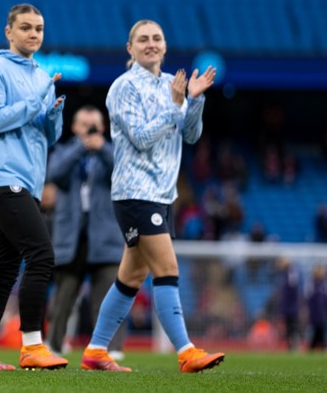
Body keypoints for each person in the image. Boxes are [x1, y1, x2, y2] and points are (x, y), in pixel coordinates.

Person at [82, 19, 223, 373]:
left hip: (161, 193)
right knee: (167, 267)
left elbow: (190, 136)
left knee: (131, 276)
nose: (151, 43)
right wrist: (175, 104)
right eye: (142, 39)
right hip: (134, 191)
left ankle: (96, 349)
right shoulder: (122, 88)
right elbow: (142, 137)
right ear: (129, 48)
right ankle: (186, 350)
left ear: (164, 45)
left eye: (156, 38)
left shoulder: (170, 85)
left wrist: (194, 100)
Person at [0, 3, 68, 372]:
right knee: (42, 256)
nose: (34, 34)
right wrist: (34, 103)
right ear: (8, 31)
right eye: (25, 27)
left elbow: (47, 136)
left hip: (26, 180)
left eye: (39, 28)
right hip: (2, 176)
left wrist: (52, 114)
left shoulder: (41, 75)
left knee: (4, 269)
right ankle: (32, 345)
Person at [46, 106, 126, 357]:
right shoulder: (63, 151)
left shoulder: (114, 151)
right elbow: (54, 174)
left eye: (93, 125)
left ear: (103, 128)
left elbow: (123, 173)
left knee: (109, 298)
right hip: (71, 238)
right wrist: (81, 146)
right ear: (74, 127)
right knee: (63, 298)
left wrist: (100, 147)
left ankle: (110, 349)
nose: (89, 130)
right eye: (84, 124)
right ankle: (54, 345)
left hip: (106, 237)